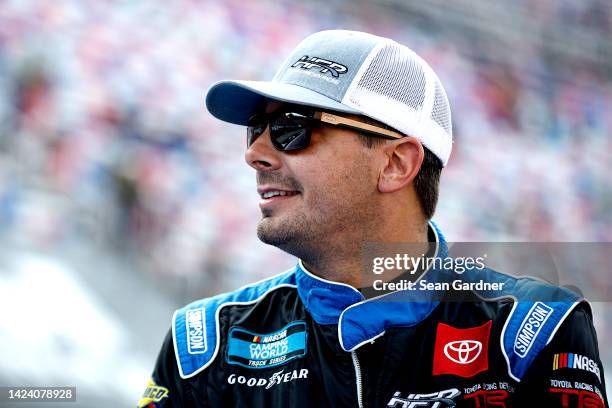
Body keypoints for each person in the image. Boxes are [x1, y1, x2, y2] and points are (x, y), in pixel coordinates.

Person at [137, 30, 608, 408]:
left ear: (396, 164)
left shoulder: (532, 330)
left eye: (291, 129)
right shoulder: (201, 346)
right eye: (254, 130)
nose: (256, 154)